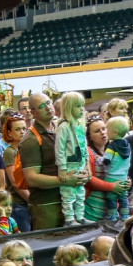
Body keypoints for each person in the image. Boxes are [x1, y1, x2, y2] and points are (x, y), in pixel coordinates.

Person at [21, 93, 84, 230]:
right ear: (33, 112)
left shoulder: (62, 127)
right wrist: (65, 180)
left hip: (69, 201)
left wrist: (84, 174)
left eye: (49, 102)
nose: (48, 108)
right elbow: (32, 178)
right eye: (42, 106)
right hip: (47, 206)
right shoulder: (30, 140)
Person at [86, 116, 132, 222]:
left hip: (114, 214)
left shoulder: (117, 148)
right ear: (90, 137)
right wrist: (111, 186)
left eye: (104, 128)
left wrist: (127, 181)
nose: (103, 132)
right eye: (97, 131)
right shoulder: (88, 152)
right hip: (94, 213)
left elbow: (122, 170)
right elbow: (89, 179)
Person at [54, 92, 90, 225]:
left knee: (80, 192)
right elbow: (59, 149)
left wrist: (87, 165)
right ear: (69, 108)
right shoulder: (64, 127)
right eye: (77, 106)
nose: (81, 109)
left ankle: (80, 216)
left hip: (79, 163)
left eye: (82, 106)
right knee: (68, 193)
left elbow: (84, 146)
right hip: (69, 165)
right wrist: (62, 168)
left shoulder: (79, 126)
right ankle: (69, 218)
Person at [0, 115, 31, 232]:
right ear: (9, 133)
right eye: (18, 129)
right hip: (19, 205)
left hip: (29, 201)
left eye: (24, 129)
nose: (22, 132)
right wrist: (32, 201)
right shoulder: (9, 152)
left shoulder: (27, 150)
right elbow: (15, 182)